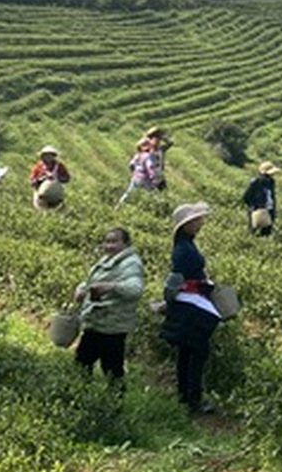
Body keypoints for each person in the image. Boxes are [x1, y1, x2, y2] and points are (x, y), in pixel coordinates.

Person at [160, 202, 222, 413]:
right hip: (189, 304)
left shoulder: (187, 245)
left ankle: (184, 395)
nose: (200, 223)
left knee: (187, 351)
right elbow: (177, 278)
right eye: (195, 221)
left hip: (189, 301)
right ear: (184, 225)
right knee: (197, 352)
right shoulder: (183, 250)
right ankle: (193, 399)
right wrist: (169, 300)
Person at [71, 226, 145, 386]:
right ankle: (82, 395)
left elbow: (135, 289)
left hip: (112, 327)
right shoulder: (107, 260)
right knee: (82, 363)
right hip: (96, 323)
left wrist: (111, 287)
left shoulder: (131, 264)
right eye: (107, 241)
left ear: (126, 244)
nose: (109, 245)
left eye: (114, 242)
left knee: (111, 369)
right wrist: (82, 289)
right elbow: (92, 281)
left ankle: (114, 399)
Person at [242, 161, 279, 236]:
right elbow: (246, 196)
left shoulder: (271, 182)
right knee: (253, 232)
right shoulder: (256, 181)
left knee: (266, 233)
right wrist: (254, 207)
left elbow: (271, 196)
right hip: (258, 210)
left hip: (269, 210)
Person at [29, 145, 71, 210]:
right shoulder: (38, 167)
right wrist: (41, 178)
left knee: (58, 210)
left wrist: (57, 177)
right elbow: (32, 182)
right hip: (41, 196)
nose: (48, 157)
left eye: (50, 155)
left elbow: (67, 178)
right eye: (46, 155)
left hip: (56, 195)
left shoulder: (59, 166)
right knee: (42, 211)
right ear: (42, 156)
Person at [121, 137, 161, 203]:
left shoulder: (138, 155)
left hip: (135, 177)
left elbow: (131, 165)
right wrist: (153, 178)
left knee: (129, 192)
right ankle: (154, 204)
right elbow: (149, 167)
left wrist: (134, 172)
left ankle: (120, 204)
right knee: (151, 192)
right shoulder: (148, 156)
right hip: (144, 179)